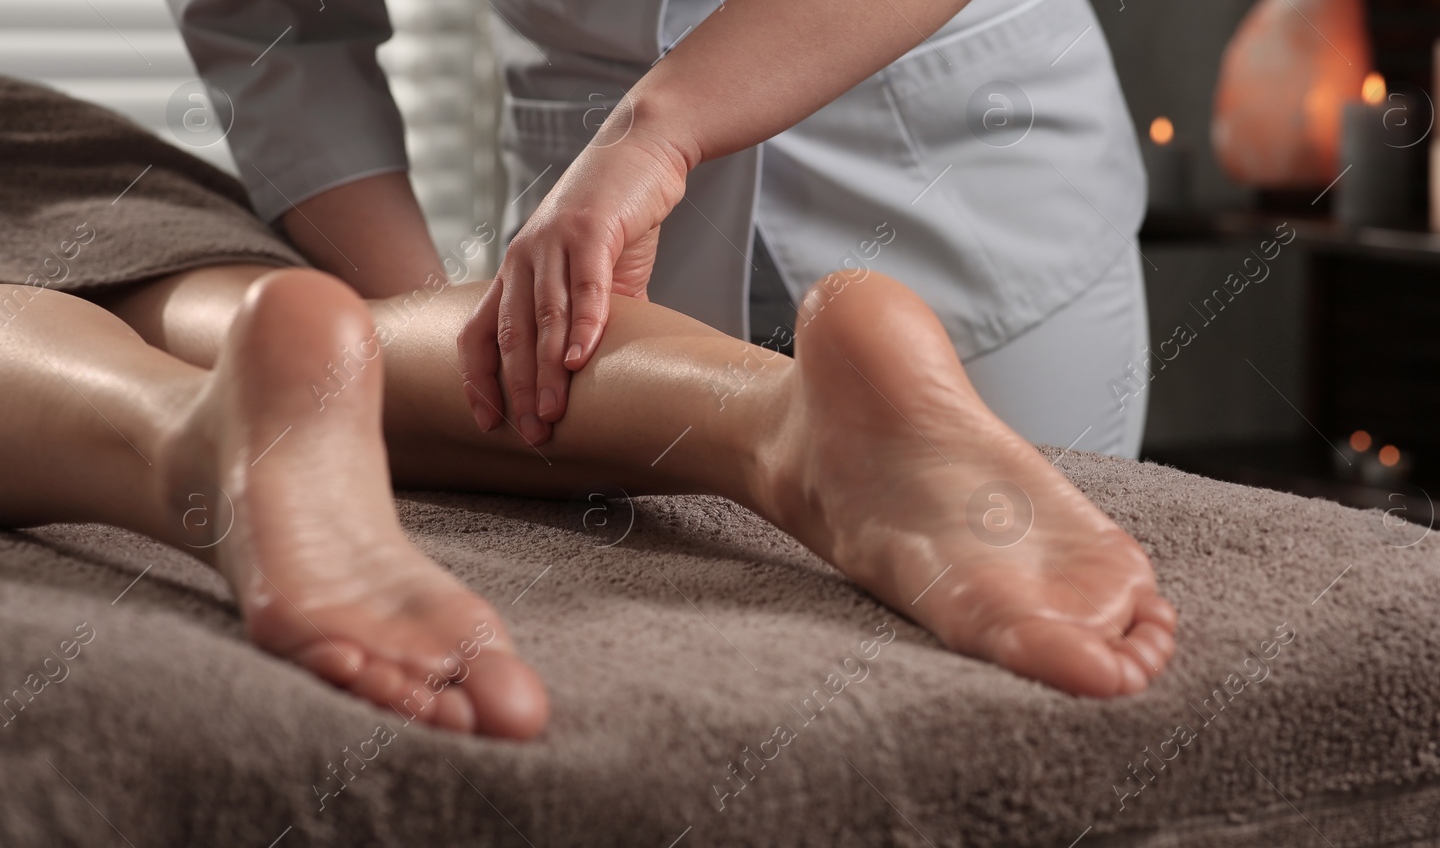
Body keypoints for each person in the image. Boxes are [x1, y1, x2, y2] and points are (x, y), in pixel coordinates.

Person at [0, 77, 1173, 739]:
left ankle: (187, 445)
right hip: (59, 144)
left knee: (217, 326)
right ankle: (781, 416)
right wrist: (391, 313)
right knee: (219, 297)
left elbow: (267, 5)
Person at [125, 0, 1151, 462]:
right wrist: (429, 345)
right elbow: (275, 27)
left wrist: (659, 131)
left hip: (950, 147)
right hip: (582, 222)